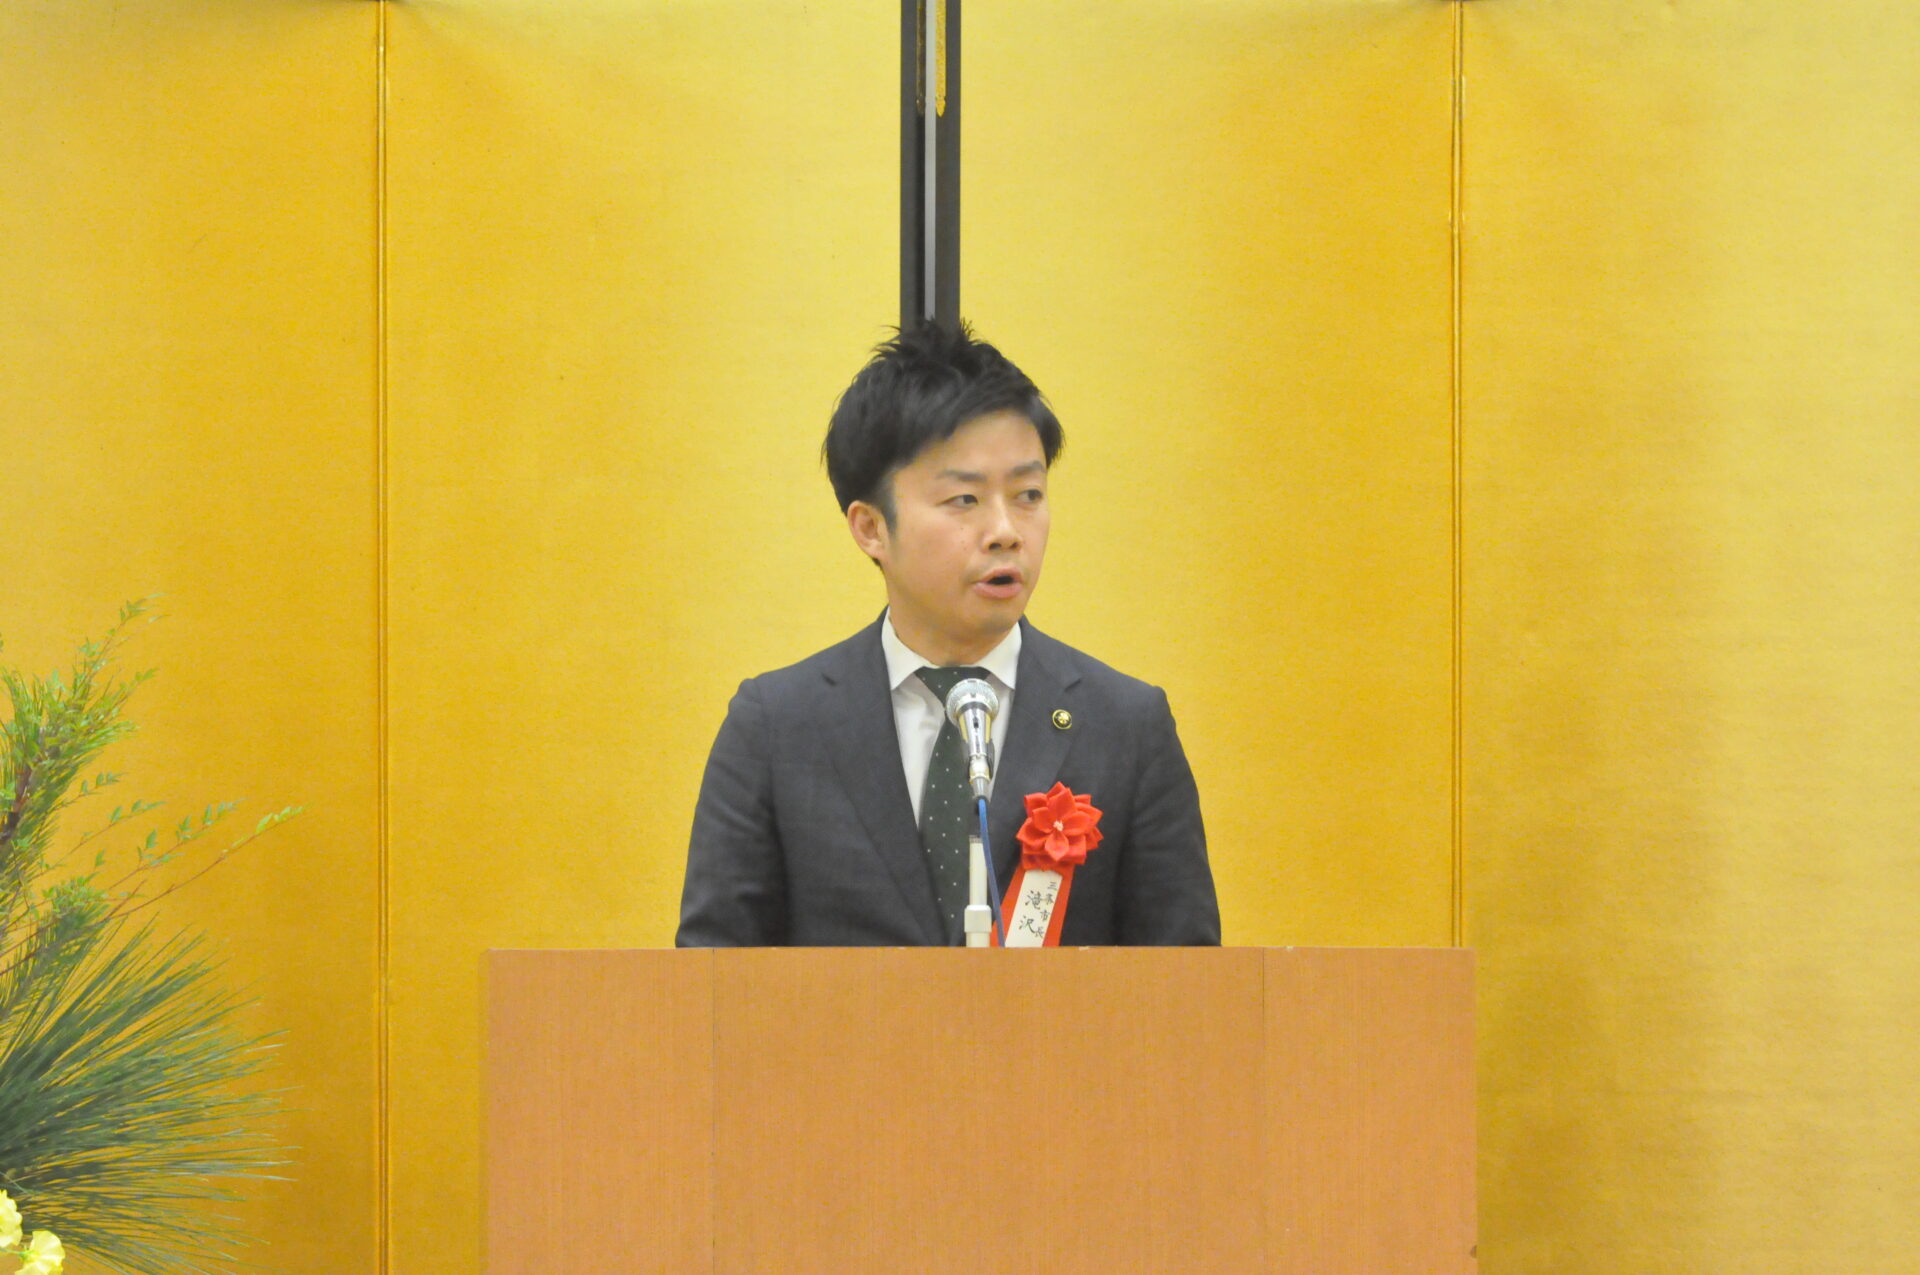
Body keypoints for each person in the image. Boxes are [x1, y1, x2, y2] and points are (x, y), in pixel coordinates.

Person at [676, 322, 1220, 947]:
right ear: (871, 528)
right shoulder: (776, 726)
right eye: (965, 499)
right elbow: (712, 977)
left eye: (1028, 494)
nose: (1006, 531)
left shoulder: (1125, 725)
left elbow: (1188, 985)